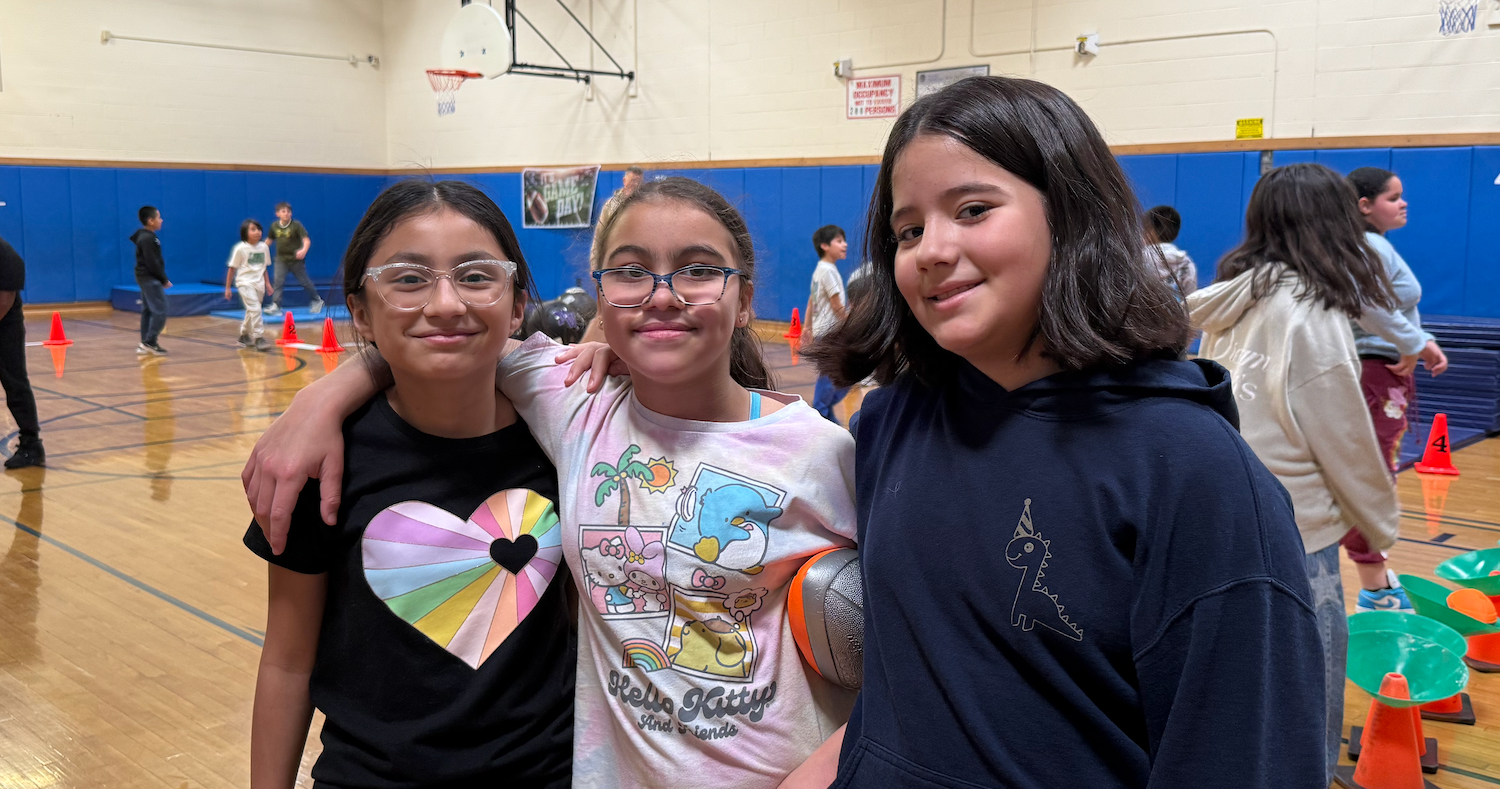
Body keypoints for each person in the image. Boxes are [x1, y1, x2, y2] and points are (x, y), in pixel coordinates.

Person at [243, 176, 858, 789]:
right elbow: (436, 335)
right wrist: (318, 402)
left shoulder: (817, 451)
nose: (663, 294)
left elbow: (909, 645)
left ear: (744, 297)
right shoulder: (570, 409)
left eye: (697, 269)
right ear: (600, 295)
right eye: (631, 272)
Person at [806, 76, 1327, 787]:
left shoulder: (1194, 473)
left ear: (1072, 216)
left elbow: (1242, 755)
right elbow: (915, 690)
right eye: (908, 229)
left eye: (973, 209)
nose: (930, 248)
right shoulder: (892, 421)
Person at [245, 180, 574, 788]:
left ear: (518, 304)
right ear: (361, 312)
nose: (447, 303)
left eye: (476, 276)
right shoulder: (323, 462)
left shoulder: (570, 440)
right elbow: (288, 663)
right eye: (408, 279)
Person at [1188, 162, 1402, 780]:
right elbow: (1343, 435)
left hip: (1233, 510)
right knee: (1312, 673)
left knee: (1245, 672)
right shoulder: (1312, 314)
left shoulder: (1235, 298)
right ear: (1335, 225)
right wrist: (1380, 524)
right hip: (1294, 527)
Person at [1343, 166, 1450, 612]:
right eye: (1393, 197)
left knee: (1374, 469)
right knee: (1373, 473)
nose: (1403, 203)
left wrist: (1411, 342)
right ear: (1365, 206)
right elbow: (1369, 306)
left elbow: (1388, 306)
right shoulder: (1367, 246)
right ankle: (1375, 587)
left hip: (1384, 366)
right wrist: (1412, 343)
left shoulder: (1375, 246)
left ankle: (1377, 575)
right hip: (1375, 369)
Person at [0, 235, 43, 468]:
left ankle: (31, 444)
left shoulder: (5, 254)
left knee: (14, 382)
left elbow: (3, 301)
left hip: (4, 327)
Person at [805, 225, 851, 423]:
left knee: (833, 372)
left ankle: (826, 413)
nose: (845, 244)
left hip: (823, 330)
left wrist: (807, 327)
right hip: (831, 332)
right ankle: (820, 410)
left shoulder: (820, 270)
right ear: (825, 245)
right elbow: (836, 305)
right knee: (836, 372)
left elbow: (811, 300)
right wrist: (855, 326)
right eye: (839, 241)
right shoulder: (828, 271)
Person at [224, 219, 273, 351]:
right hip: (245, 283)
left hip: (259, 284)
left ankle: (244, 334)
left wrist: (267, 283)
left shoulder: (264, 247)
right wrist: (228, 288)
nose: (257, 232)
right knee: (256, 309)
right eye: (253, 229)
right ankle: (258, 337)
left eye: (258, 229)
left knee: (252, 311)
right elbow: (232, 268)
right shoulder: (240, 249)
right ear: (245, 233)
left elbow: (264, 267)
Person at [267, 202, 321, 315]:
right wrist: (259, 248)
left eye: (288, 211)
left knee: (304, 281)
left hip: (296, 260)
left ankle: (317, 300)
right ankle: (276, 305)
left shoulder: (296, 225)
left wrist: (303, 250)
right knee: (278, 282)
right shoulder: (274, 226)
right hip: (281, 259)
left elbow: (306, 240)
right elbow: (269, 240)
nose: (286, 214)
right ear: (277, 214)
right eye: (283, 211)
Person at [130, 206, 171, 356]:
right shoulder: (148, 238)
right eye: (159, 217)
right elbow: (152, 262)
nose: (161, 220)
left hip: (145, 277)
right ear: (151, 221)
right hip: (149, 278)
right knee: (161, 309)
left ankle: (145, 342)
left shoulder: (146, 237)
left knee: (148, 310)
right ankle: (150, 341)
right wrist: (163, 279)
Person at [1144, 205, 1197, 296]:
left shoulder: (1138, 259)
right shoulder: (1187, 264)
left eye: (1144, 228)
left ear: (1150, 231)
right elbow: (1190, 300)